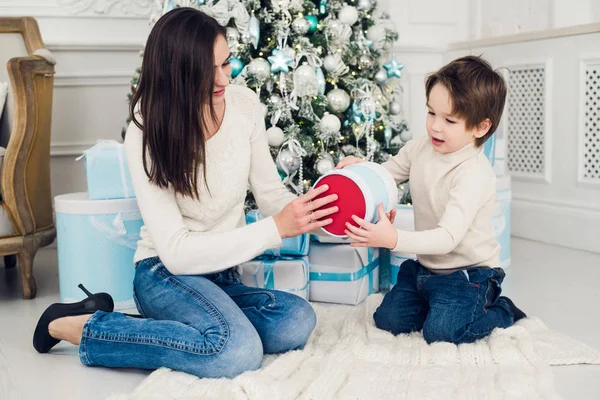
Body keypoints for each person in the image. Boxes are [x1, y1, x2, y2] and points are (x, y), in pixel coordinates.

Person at [33, 7, 338, 378]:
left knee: (296, 319)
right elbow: (176, 253)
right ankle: (76, 325)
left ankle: (168, 330)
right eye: (205, 71)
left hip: (221, 275)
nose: (222, 79)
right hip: (164, 273)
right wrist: (276, 228)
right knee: (236, 352)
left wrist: (333, 201)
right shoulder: (147, 131)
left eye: (226, 64)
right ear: (176, 74)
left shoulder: (243, 106)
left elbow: (271, 192)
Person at [336, 55, 526, 345]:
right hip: (426, 269)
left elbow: (447, 238)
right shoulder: (420, 148)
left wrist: (393, 239)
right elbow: (386, 174)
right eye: (431, 113)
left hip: (469, 274)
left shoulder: (473, 173)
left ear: (480, 127)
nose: (435, 127)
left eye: (449, 120)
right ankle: (434, 301)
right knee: (388, 320)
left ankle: (502, 310)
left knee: (442, 333)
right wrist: (360, 168)